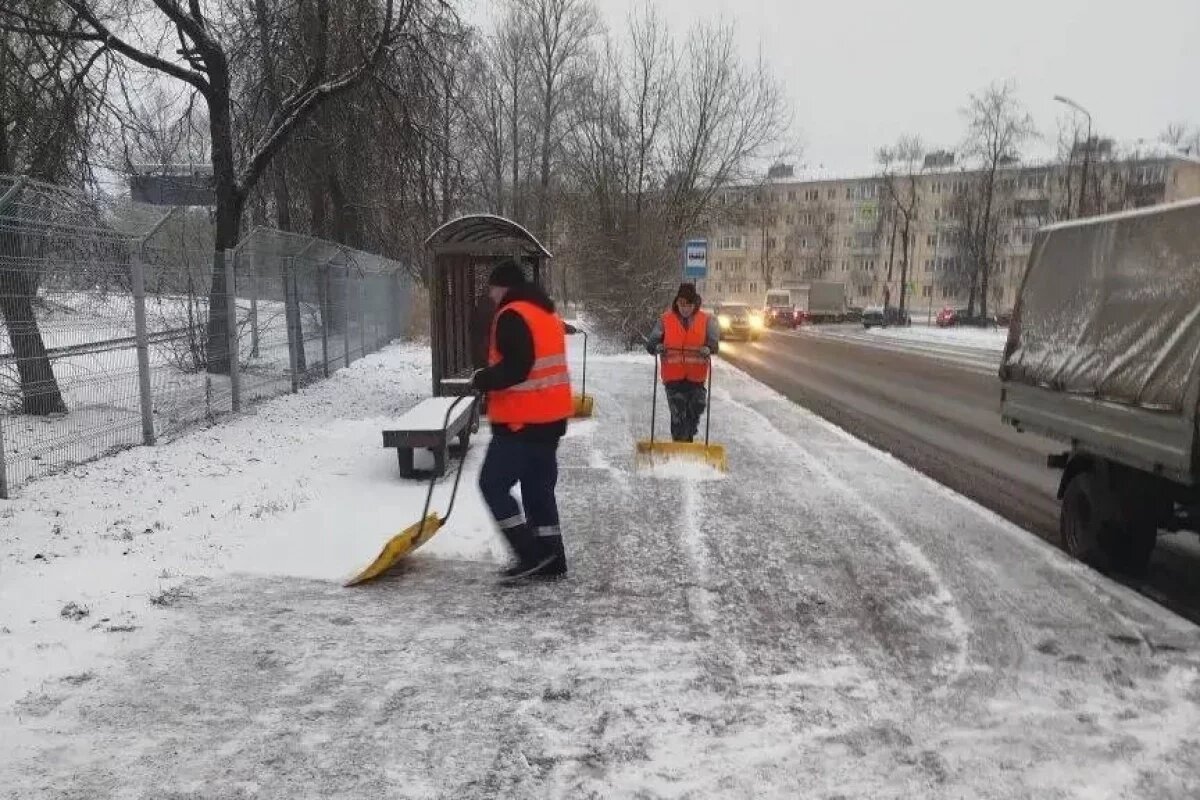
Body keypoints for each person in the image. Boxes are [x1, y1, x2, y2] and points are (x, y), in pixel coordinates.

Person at [470, 259, 573, 582]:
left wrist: (483, 379)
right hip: (550, 419)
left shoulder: (512, 314)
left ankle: (529, 554)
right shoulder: (545, 313)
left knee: (492, 484)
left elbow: (518, 367)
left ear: (503, 287)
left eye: (493, 290)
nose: (491, 296)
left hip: (521, 423)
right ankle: (552, 557)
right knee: (538, 490)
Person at [645, 283, 720, 443]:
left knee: (695, 412)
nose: (685, 308)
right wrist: (658, 346)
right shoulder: (665, 319)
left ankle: (686, 445)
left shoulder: (707, 320)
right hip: (673, 378)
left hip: (696, 379)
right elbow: (651, 344)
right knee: (678, 415)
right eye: (681, 304)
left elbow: (714, 344)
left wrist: (708, 348)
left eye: (689, 305)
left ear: (695, 304)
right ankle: (679, 451)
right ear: (677, 302)